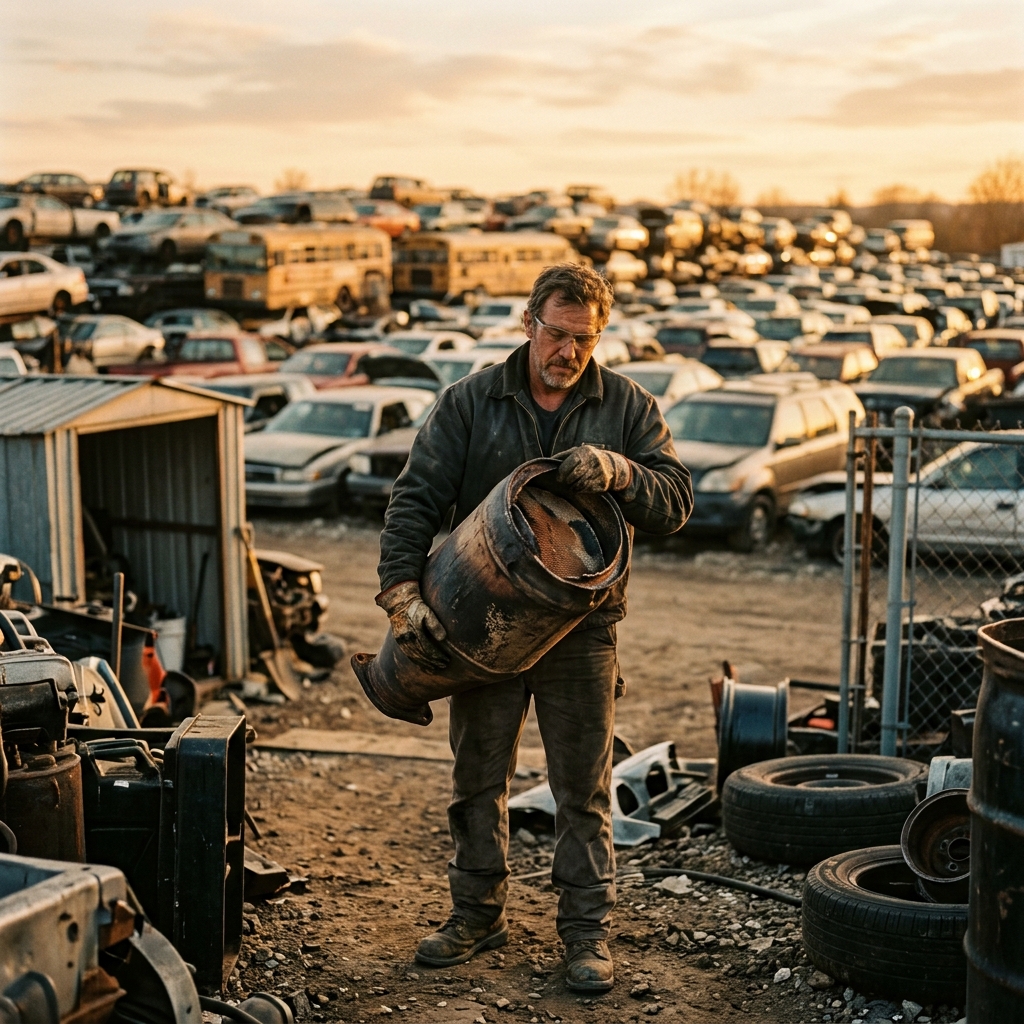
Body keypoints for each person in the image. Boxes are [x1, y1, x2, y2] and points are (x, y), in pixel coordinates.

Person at [375, 263, 692, 992]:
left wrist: (619, 470)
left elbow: (675, 504)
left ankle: (586, 934)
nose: (570, 352)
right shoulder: (471, 401)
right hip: (480, 625)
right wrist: (400, 590)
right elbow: (415, 499)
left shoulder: (627, 407)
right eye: (557, 334)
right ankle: (477, 914)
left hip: (582, 629)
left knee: (582, 788)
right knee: (476, 778)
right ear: (529, 323)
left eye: (586, 339)